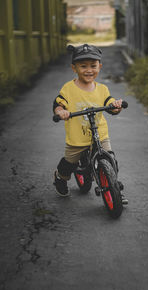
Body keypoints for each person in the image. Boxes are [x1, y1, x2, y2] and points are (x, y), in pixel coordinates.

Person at [53, 43, 128, 205]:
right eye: (83, 66)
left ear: (99, 66)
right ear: (74, 68)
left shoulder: (102, 89)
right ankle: (60, 177)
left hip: (99, 133)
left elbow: (110, 104)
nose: (89, 70)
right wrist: (61, 112)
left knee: (110, 158)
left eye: (93, 66)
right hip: (77, 135)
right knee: (70, 162)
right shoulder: (68, 88)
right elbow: (59, 103)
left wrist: (116, 106)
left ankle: (114, 186)